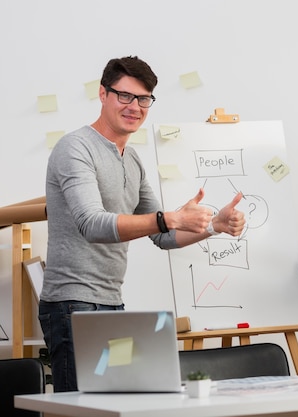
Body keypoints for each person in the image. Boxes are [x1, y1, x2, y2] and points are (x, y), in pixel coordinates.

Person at [38, 56, 246, 392]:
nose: (135, 106)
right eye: (125, 96)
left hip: (113, 303)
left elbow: (163, 236)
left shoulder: (132, 159)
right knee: (80, 409)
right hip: (71, 303)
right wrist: (168, 218)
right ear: (103, 94)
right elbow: (93, 224)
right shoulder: (74, 148)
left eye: (144, 99)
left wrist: (214, 226)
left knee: (116, 400)